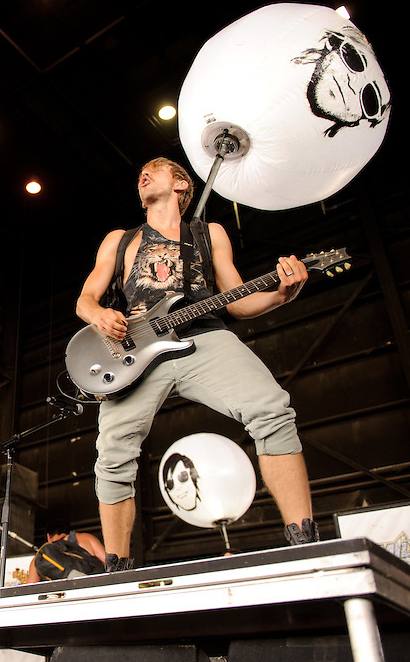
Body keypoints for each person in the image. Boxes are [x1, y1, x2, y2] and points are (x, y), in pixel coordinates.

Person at [75, 157, 318, 572]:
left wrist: (281, 294)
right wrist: (98, 315)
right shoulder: (119, 239)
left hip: (204, 336)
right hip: (136, 351)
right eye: (139, 174)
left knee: (272, 411)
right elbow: (85, 299)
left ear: (181, 184)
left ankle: (304, 540)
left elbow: (237, 301)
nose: (142, 175)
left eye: (153, 169)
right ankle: (117, 568)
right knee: (112, 456)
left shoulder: (209, 234)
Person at [25, 520, 106, 583]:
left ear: (48, 536)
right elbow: (108, 562)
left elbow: (30, 589)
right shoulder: (86, 538)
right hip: (95, 588)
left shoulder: (40, 557)